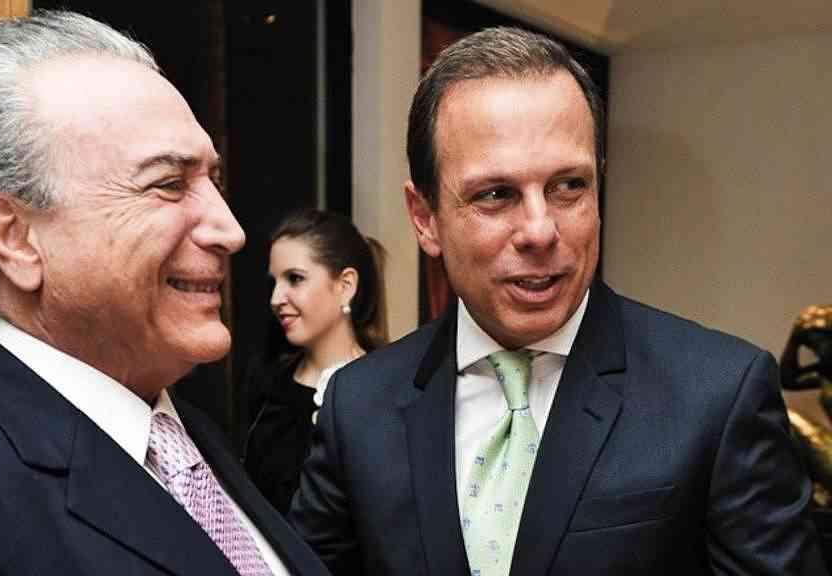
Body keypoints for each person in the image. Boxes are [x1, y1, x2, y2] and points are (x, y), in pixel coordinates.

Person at [289, 26, 827, 575]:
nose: (540, 230)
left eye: (568, 186)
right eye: (496, 194)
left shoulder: (717, 394)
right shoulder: (358, 407)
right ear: (425, 218)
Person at [0, 11, 328, 576]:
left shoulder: (189, 437)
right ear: (15, 238)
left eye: (213, 181)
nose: (230, 230)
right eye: (168, 183)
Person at [243, 209, 386, 515]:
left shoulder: (383, 390)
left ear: (345, 286)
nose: (276, 298)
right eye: (274, 282)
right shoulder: (269, 381)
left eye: (295, 279)